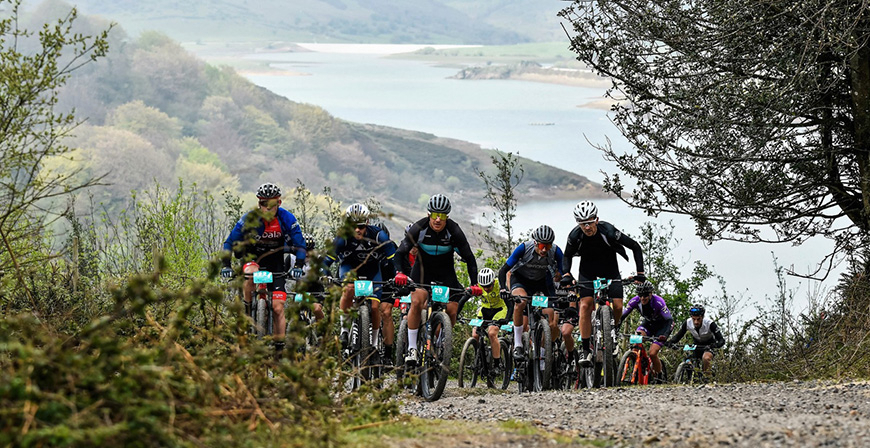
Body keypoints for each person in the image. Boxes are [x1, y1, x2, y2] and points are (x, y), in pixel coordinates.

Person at [394, 194, 482, 366]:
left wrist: (474, 284)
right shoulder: (419, 228)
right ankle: (412, 348)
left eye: (442, 216)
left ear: (447, 217)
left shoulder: (454, 230)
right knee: (418, 301)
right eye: (435, 215)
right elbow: (400, 253)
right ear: (429, 215)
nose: (438, 220)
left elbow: (470, 258)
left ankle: (442, 340)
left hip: (445, 272)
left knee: (452, 309)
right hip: (422, 270)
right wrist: (399, 273)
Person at [221, 182, 307, 355]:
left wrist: (298, 265)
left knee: (278, 307)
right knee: (250, 274)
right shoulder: (249, 219)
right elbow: (229, 242)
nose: (266, 208)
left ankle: (279, 347)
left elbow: (300, 245)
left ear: (279, 203)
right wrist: (226, 265)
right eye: (262, 203)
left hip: (276, 262)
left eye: (271, 204)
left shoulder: (287, 218)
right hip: (252, 257)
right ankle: (247, 311)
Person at [560, 201, 646, 367]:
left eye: (590, 222)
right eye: (582, 223)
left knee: (619, 306)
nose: (587, 227)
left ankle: (612, 331)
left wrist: (640, 273)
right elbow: (567, 256)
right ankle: (586, 351)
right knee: (585, 305)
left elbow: (635, 246)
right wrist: (566, 274)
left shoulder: (608, 231)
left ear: (596, 219)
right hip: (588, 271)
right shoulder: (575, 235)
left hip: (610, 270)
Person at [324, 203, 396, 357]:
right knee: (348, 289)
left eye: (361, 226)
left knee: (376, 307)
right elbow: (326, 260)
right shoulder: (342, 237)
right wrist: (325, 274)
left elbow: (394, 258)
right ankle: (344, 330)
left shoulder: (378, 235)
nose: (357, 230)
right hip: (349, 268)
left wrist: (400, 275)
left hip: (372, 270)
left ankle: (375, 343)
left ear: (367, 224)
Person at [498, 225, 564, 361]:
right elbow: (503, 270)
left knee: (551, 320)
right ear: (535, 243)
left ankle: (543, 355)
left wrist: (566, 282)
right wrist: (503, 288)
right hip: (521, 280)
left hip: (542, 281)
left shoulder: (556, 251)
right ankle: (518, 344)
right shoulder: (523, 248)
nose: (544, 250)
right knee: (520, 302)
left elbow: (564, 272)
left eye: (548, 246)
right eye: (541, 246)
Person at [621, 280, 673, 381]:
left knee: (653, 353)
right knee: (636, 340)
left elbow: (669, 320)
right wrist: (615, 328)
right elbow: (623, 316)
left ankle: (659, 375)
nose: (642, 298)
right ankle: (639, 363)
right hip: (648, 324)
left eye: (645, 295)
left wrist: (665, 335)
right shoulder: (635, 301)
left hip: (662, 327)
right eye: (640, 295)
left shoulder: (658, 302)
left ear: (650, 294)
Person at [667, 304, 726, 378]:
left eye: (698, 319)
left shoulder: (710, 324)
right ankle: (691, 377)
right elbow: (678, 335)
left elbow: (721, 340)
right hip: (697, 344)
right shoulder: (688, 322)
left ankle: (707, 378)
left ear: (702, 317)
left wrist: (716, 345)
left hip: (709, 344)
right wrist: (670, 342)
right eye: (693, 319)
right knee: (687, 359)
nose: (696, 322)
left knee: (706, 358)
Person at [471, 267, 510, 378]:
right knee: (475, 335)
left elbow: (510, 304)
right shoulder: (478, 287)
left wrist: (506, 319)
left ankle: (497, 364)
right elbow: (465, 298)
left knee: (492, 333)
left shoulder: (500, 285)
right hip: (484, 310)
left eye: (489, 286)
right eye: (484, 287)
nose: (486, 289)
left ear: (493, 281)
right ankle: (479, 357)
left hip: (500, 310)